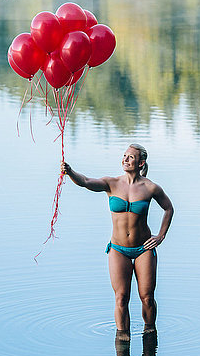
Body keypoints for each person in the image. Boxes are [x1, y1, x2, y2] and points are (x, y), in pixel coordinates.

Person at [61, 143, 174, 337]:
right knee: (121, 298)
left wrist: (160, 236)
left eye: (130, 157)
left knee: (147, 297)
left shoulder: (150, 188)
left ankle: (150, 333)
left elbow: (168, 208)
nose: (125, 159)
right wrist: (70, 172)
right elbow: (86, 181)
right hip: (118, 249)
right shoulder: (111, 183)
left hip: (144, 248)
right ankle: (122, 340)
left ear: (141, 163)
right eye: (124, 156)